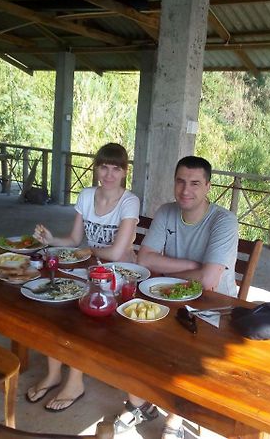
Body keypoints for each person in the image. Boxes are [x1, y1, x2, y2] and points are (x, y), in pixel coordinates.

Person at [114, 156, 238, 438]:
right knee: (130, 328)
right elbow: (145, 260)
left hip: (212, 309)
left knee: (184, 348)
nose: (186, 190)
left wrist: (170, 264)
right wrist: (195, 266)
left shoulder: (223, 220)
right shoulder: (167, 212)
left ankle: (175, 417)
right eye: (181, 181)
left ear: (207, 186)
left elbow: (208, 283)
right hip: (165, 298)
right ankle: (138, 403)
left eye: (195, 183)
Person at [26, 142, 140, 412]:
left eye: (115, 168)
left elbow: (115, 252)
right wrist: (52, 239)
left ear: (124, 172)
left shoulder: (129, 201)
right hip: (89, 269)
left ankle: (74, 381)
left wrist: (85, 251)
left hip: (119, 277)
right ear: (96, 167)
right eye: (104, 166)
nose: (109, 174)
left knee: (80, 314)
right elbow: (74, 239)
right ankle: (54, 374)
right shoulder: (87, 195)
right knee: (54, 301)